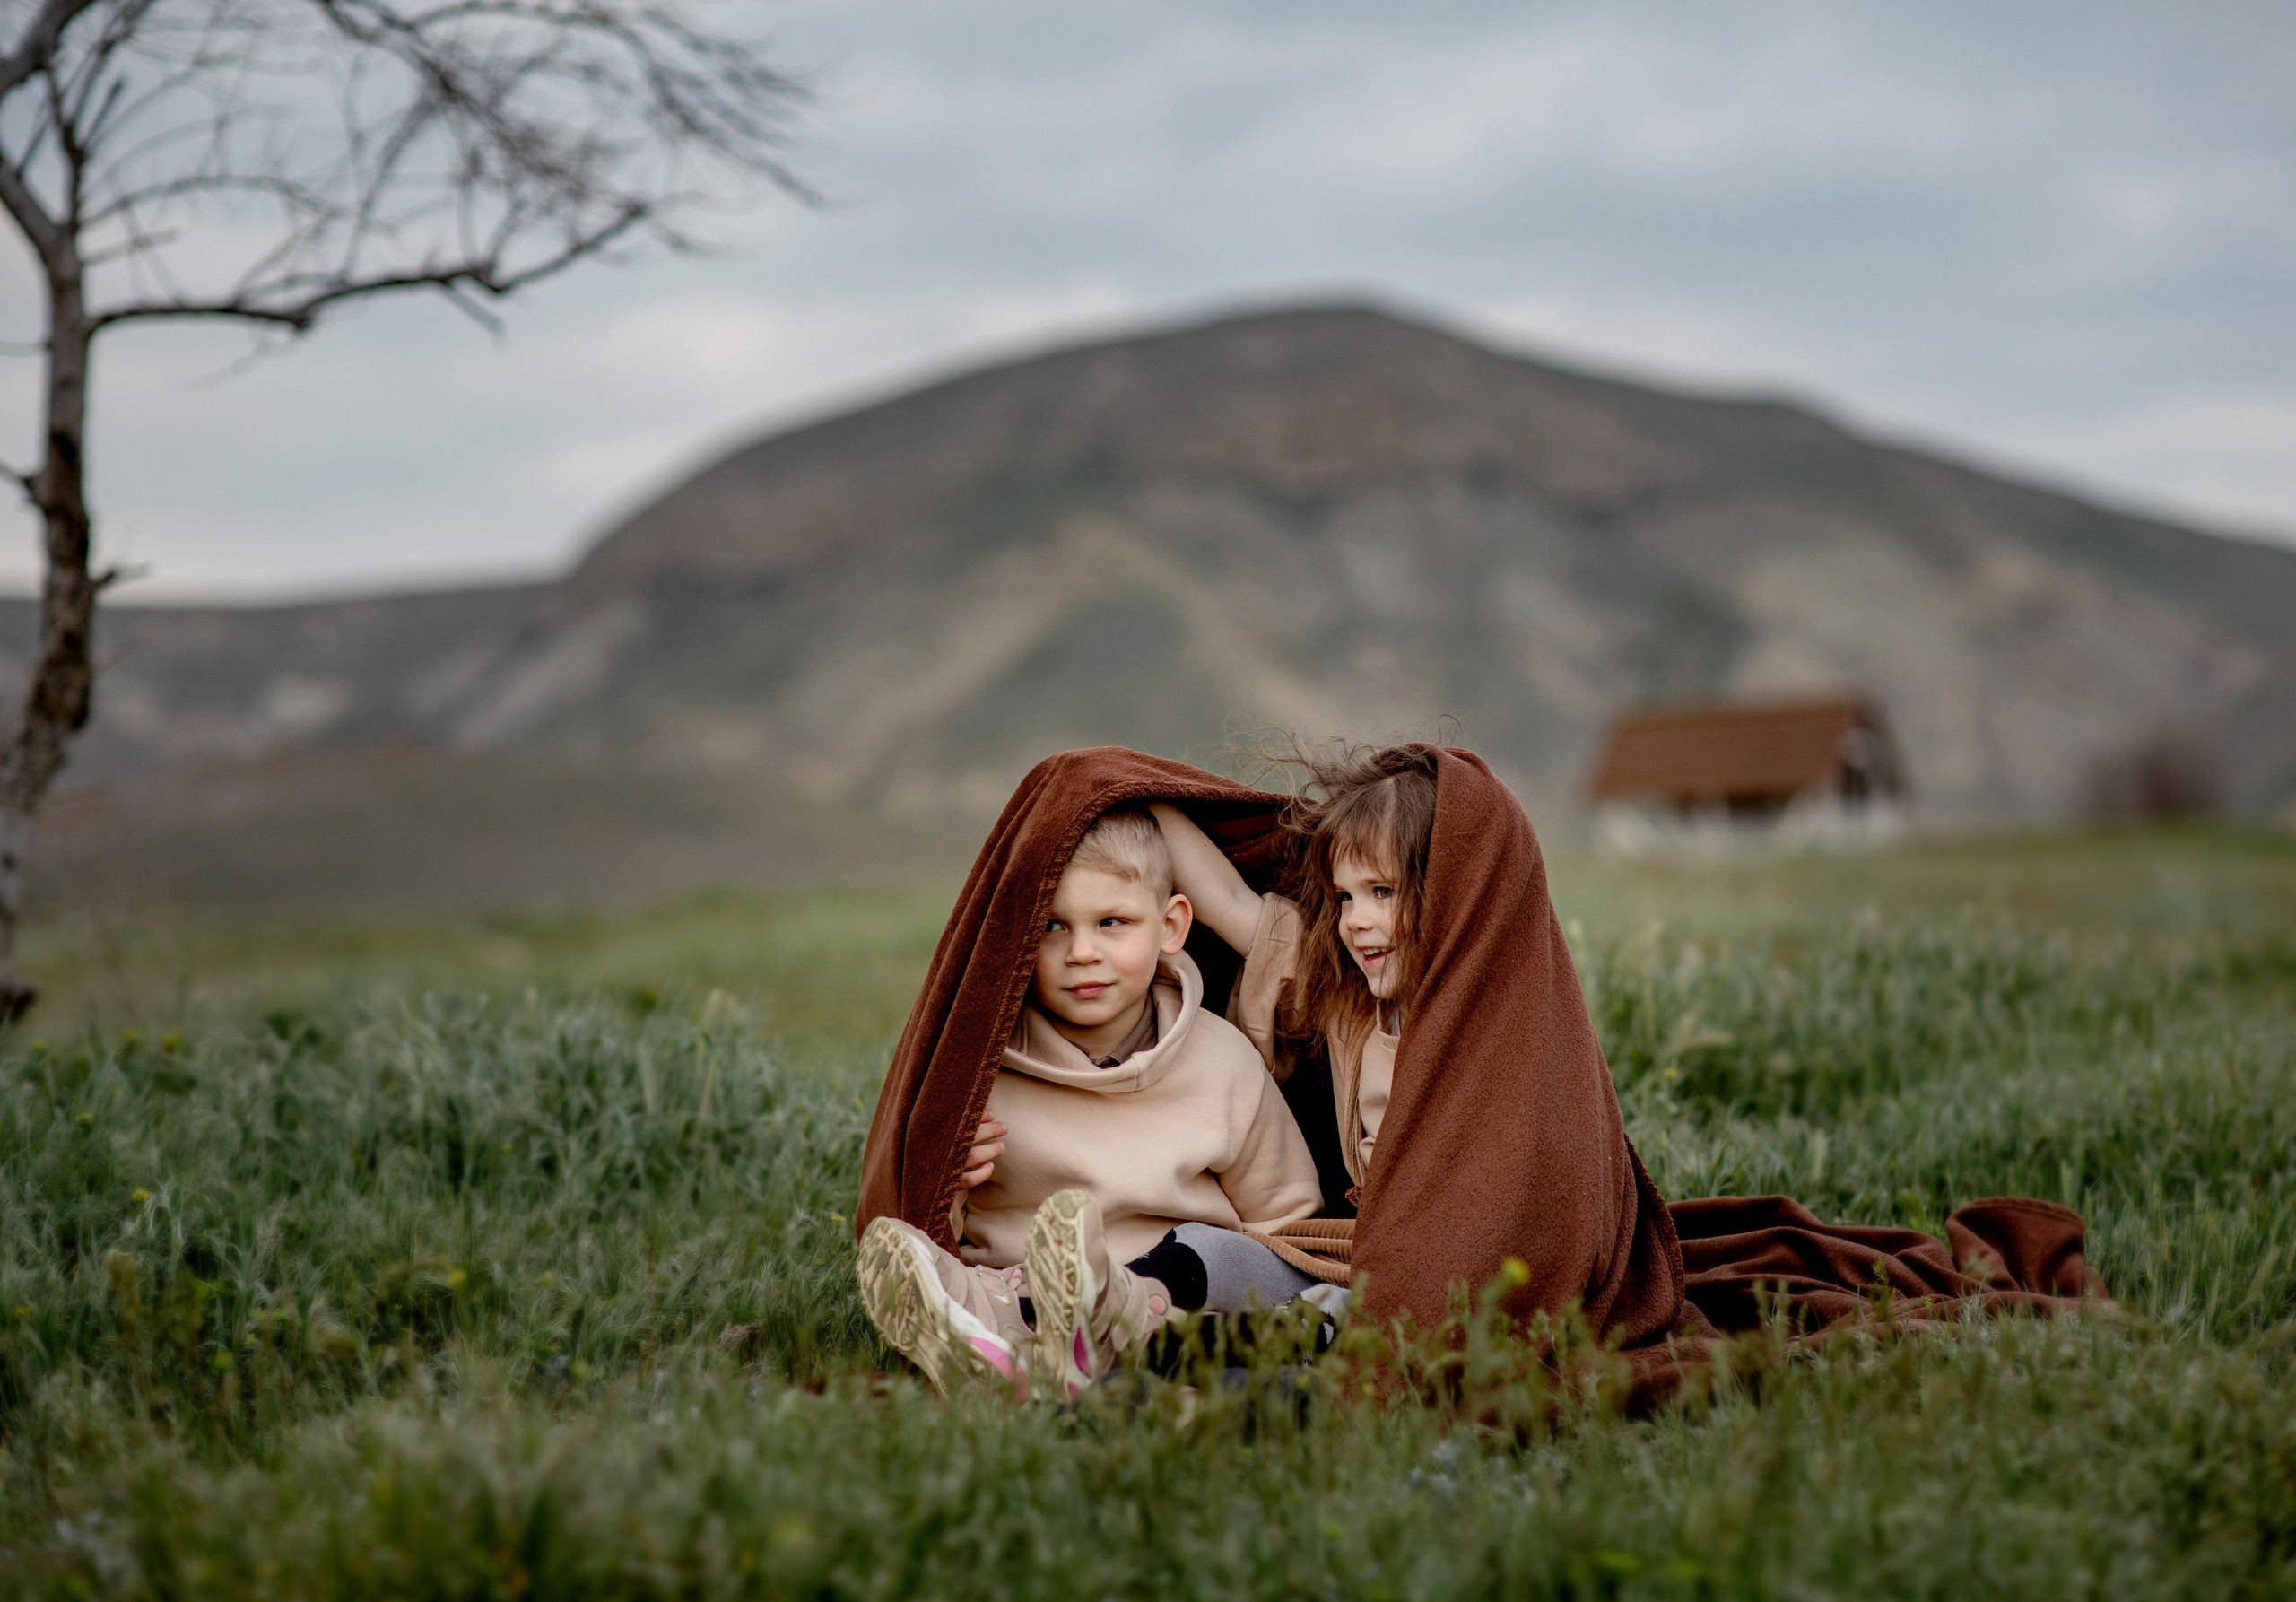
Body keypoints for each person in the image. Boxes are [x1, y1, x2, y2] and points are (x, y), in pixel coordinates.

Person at [856, 805, 1324, 1399]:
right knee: (942, 1269)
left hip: (1170, 1305)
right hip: (1025, 1298)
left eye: (1112, 922)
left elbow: (1284, 1226)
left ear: (1172, 926)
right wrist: (951, 1181)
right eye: (1053, 927)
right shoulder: (982, 1072)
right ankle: (1003, 1351)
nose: (1081, 952)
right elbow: (935, 1215)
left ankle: (1060, 1366)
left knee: (1232, 1297)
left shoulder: (1226, 1063)